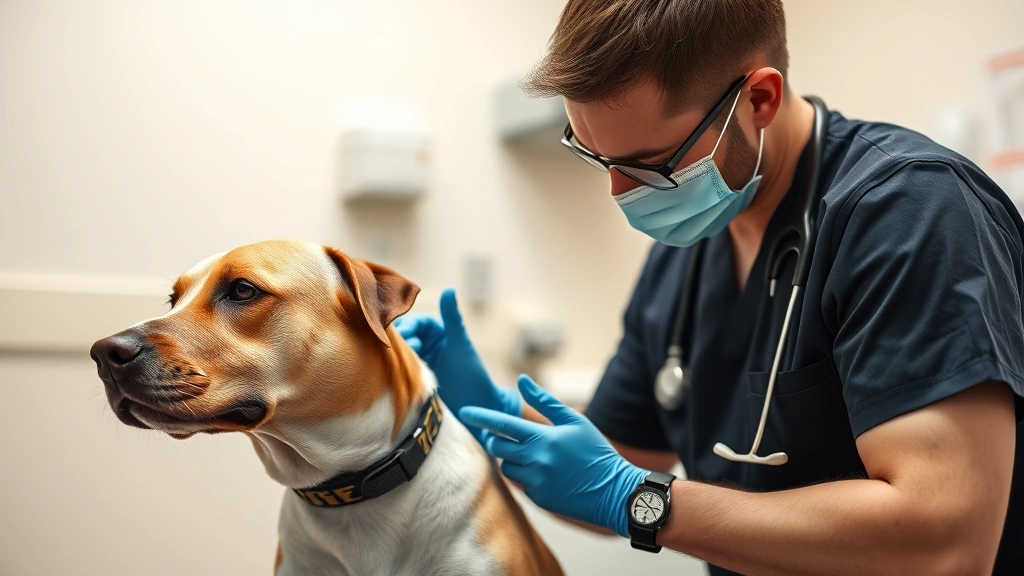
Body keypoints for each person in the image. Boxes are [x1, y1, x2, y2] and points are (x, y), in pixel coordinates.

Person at [396, 1, 1024, 573]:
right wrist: (491, 417)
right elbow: (602, 463)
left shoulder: (911, 212)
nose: (619, 194)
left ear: (759, 100)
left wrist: (640, 500)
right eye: (597, 159)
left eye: (652, 163)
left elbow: (945, 541)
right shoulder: (683, 260)